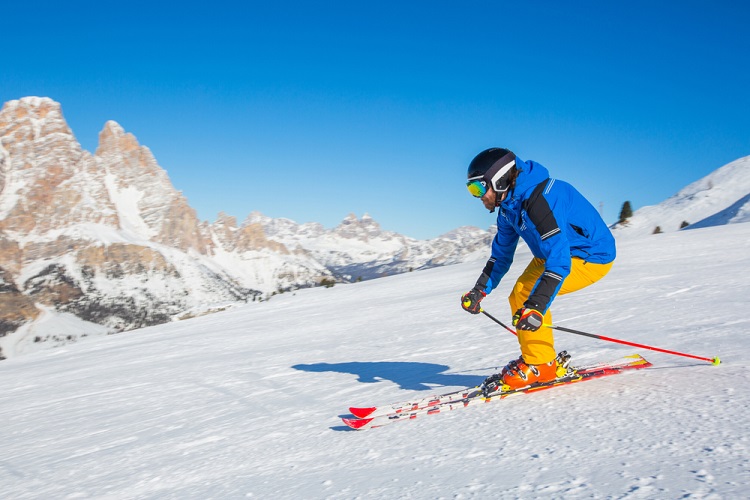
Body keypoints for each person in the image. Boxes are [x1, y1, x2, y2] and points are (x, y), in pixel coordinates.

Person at [461, 147, 616, 389]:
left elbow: (560, 259)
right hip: (553, 254)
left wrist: (537, 307)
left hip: (590, 256)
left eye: (479, 188)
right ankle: (539, 359)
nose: (477, 196)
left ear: (500, 180)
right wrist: (479, 290)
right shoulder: (509, 209)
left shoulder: (541, 201)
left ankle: (542, 366)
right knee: (520, 293)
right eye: (471, 189)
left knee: (528, 296)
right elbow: (500, 257)